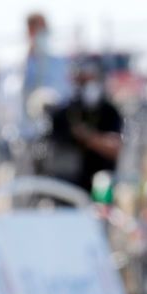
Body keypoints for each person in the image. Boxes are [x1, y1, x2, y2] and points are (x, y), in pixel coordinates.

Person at [48, 57, 123, 193]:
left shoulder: (109, 111)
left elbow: (116, 148)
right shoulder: (64, 112)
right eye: (80, 80)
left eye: (88, 79)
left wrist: (88, 137)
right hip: (67, 190)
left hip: (101, 189)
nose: (84, 85)